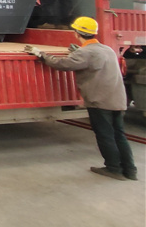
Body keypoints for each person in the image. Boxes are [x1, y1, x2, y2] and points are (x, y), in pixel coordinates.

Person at [25, 17, 137, 181]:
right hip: (117, 100)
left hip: (99, 102)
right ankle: (130, 170)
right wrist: (78, 52)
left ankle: (114, 169)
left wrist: (41, 54)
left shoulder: (85, 53)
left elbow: (62, 64)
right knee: (119, 135)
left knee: (105, 135)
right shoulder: (106, 50)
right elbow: (91, 59)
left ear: (77, 33)